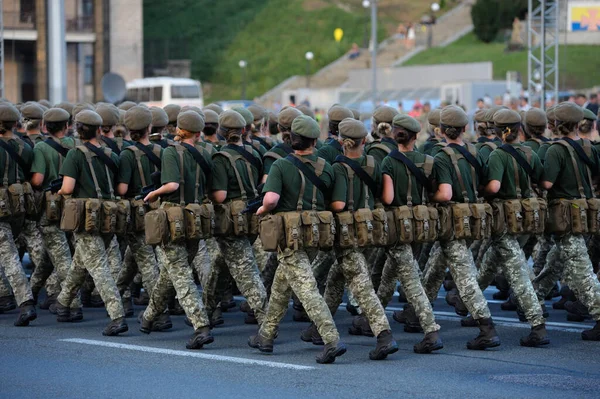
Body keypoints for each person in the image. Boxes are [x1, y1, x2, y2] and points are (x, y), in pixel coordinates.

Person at [249, 115, 346, 364]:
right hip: (316, 233)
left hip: (289, 234)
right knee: (282, 284)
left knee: (306, 288)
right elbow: (335, 203)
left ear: (292, 138)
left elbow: (270, 200)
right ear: (315, 140)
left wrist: (260, 211)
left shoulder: (281, 165)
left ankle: (331, 339)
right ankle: (266, 335)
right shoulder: (328, 166)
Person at [301, 117, 399, 360]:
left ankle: (384, 335)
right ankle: (317, 328)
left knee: (362, 288)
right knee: (335, 279)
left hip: (348, 234)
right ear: (364, 141)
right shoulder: (374, 163)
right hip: (371, 230)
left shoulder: (339, 167)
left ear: (342, 142)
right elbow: (383, 195)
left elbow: (339, 203)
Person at [422, 105, 501, 350]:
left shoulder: (442, 155)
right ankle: (417, 312)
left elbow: (445, 194)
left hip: (452, 220)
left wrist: (431, 198)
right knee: (435, 266)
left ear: (442, 130)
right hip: (472, 218)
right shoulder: (474, 151)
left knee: (465, 278)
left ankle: (486, 328)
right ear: (465, 129)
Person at [474, 109, 549, 347]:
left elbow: (494, 187)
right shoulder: (529, 152)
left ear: (499, 131)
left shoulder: (498, 155)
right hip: (527, 218)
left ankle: (537, 325)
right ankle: (468, 303)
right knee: (490, 261)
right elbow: (541, 180)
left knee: (518, 272)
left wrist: (482, 191)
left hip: (505, 219)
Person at [140, 110, 213, 348]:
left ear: (178, 129)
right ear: (199, 131)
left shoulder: (171, 151)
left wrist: (154, 193)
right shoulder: (206, 152)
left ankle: (200, 325)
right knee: (171, 272)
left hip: (173, 218)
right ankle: (149, 317)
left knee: (179, 273)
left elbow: (171, 184)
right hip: (197, 216)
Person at [55, 110, 127, 336]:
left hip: (85, 218)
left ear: (77, 130)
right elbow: (118, 188)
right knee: (81, 263)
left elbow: (67, 188)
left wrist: (59, 194)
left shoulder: (75, 155)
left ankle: (117, 315)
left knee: (98, 267)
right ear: (99, 130)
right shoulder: (111, 155)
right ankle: (64, 302)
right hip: (108, 216)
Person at [377, 114, 444, 353]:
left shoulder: (388, 161)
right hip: (421, 225)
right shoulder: (428, 161)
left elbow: (388, 198)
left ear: (395, 135)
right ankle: (371, 318)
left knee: (410, 279)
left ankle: (430, 329)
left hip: (398, 225)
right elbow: (438, 192)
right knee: (390, 273)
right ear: (416, 136)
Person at [540, 102, 600, 341]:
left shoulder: (556, 150)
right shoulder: (588, 146)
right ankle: (532, 298)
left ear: (556, 124)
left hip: (566, 216)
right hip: (586, 212)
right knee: (555, 261)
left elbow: (546, 183)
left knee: (582, 272)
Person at [207, 110, 268, 325]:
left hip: (231, 220)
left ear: (221, 132)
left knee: (245, 270)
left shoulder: (220, 157)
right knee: (219, 265)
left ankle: (266, 320)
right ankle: (207, 309)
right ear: (243, 131)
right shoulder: (254, 153)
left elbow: (221, 195)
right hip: (251, 216)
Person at [114, 106, 172, 329]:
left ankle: (160, 313)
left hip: (138, 212)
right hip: (159, 209)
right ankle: (120, 297)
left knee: (146, 261)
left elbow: (122, 188)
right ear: (150, 127)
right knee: (133, 258)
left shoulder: (128, 154)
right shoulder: (162, 150)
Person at [29, 108, 81, 315]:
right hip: (73, 205)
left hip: (50, 207)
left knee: (60, 256)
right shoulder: (76, 145)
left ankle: (73, 305)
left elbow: (38, 180)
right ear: (67, 126)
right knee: (50, 256)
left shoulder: (41, 147)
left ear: (45, 126)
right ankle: (30, 292)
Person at [0, 103, 37, 327]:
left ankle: (25, 302)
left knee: (9, 256)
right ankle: (4, 296)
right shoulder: (25, 147)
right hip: (18, 205)